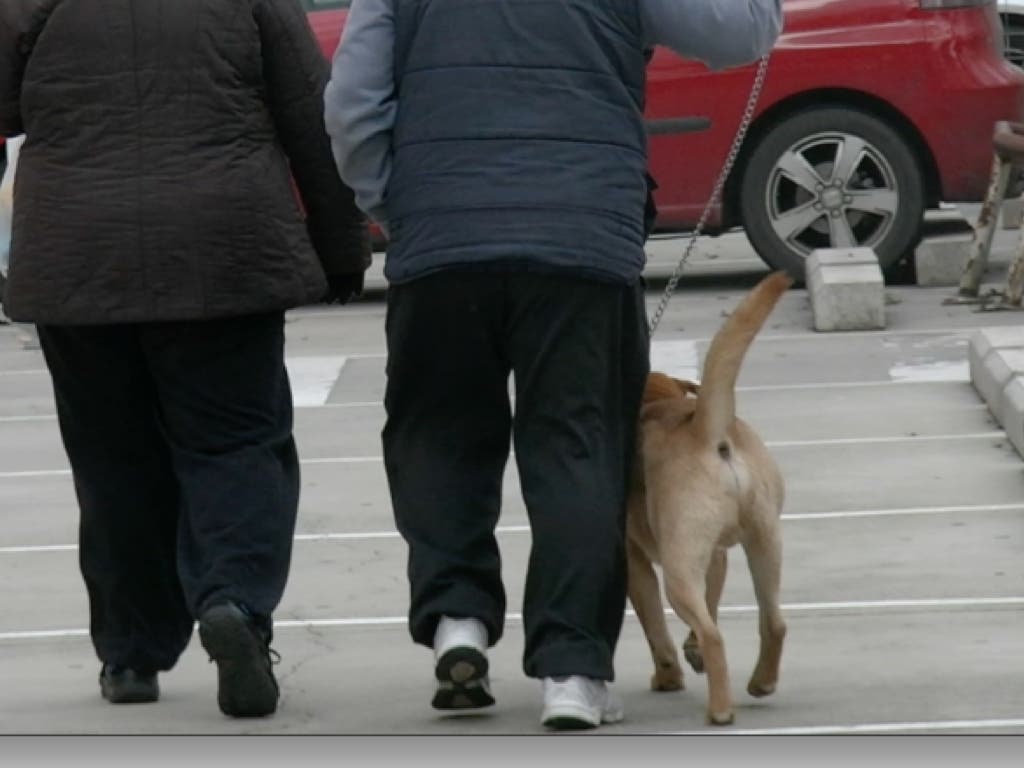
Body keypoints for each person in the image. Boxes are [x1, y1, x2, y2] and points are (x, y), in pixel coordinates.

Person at [325, 0, 782, 729]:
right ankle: (572, 671)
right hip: (581, 240)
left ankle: (457, 624)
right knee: (577, 447)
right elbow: (738, 32)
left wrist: (395, 200)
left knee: (439, 436)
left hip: (441, 239)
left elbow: (351, 101)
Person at [0, 0, 370, 718]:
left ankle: (131, 654)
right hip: (223, 245)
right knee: (236, 443)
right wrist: (341, 246)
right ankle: (234, 603)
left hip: (78, 251)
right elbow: (310, 116)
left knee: (112, 460)